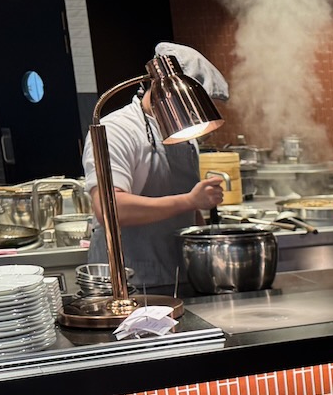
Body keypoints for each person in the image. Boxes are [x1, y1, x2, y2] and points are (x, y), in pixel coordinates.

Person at [82, 42, 229, 293]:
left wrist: (208, 250)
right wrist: (191, 200)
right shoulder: (117, 130)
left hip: (179, 274)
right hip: (127, 282)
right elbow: (110, 210)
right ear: (165, 88)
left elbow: (189, 205)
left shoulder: (183, 130)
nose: (193, 113)